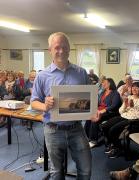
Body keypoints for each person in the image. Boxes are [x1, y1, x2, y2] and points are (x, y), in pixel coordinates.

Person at [31, 32, 91, 180]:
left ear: (70, 48)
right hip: (53, 130)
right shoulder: (42, 75)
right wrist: (45, 106)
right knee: (56, 172)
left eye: (64, 47)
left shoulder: (81, 73)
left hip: (76, 129)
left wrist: (93, 111)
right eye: (57, 47)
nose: (61, 51)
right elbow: (33, 101)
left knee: (85, 169)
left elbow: (89, 99)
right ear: (50, 50)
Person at [101, 82, 139, 158]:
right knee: (104, 126)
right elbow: (120, 111)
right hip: (123, 116)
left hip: (133, 120)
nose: (134, 89)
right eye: (133, 87)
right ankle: (113, 144)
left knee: (113, 130)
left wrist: (132, 107)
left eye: (137, 87)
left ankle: (118, 148)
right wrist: (125, 106)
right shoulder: (130, 97)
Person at [86, 78, 121, 148]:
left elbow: (114, 105)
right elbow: (99, 103)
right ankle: (87, 137)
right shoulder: (103, 92)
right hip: (99, 110)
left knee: (95, 119)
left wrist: (104, 110)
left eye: (104, 82)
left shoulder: (115, 93)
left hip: (110, 112)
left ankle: (93, 141)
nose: (102, 84)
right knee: (88, 116)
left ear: (109, 84)